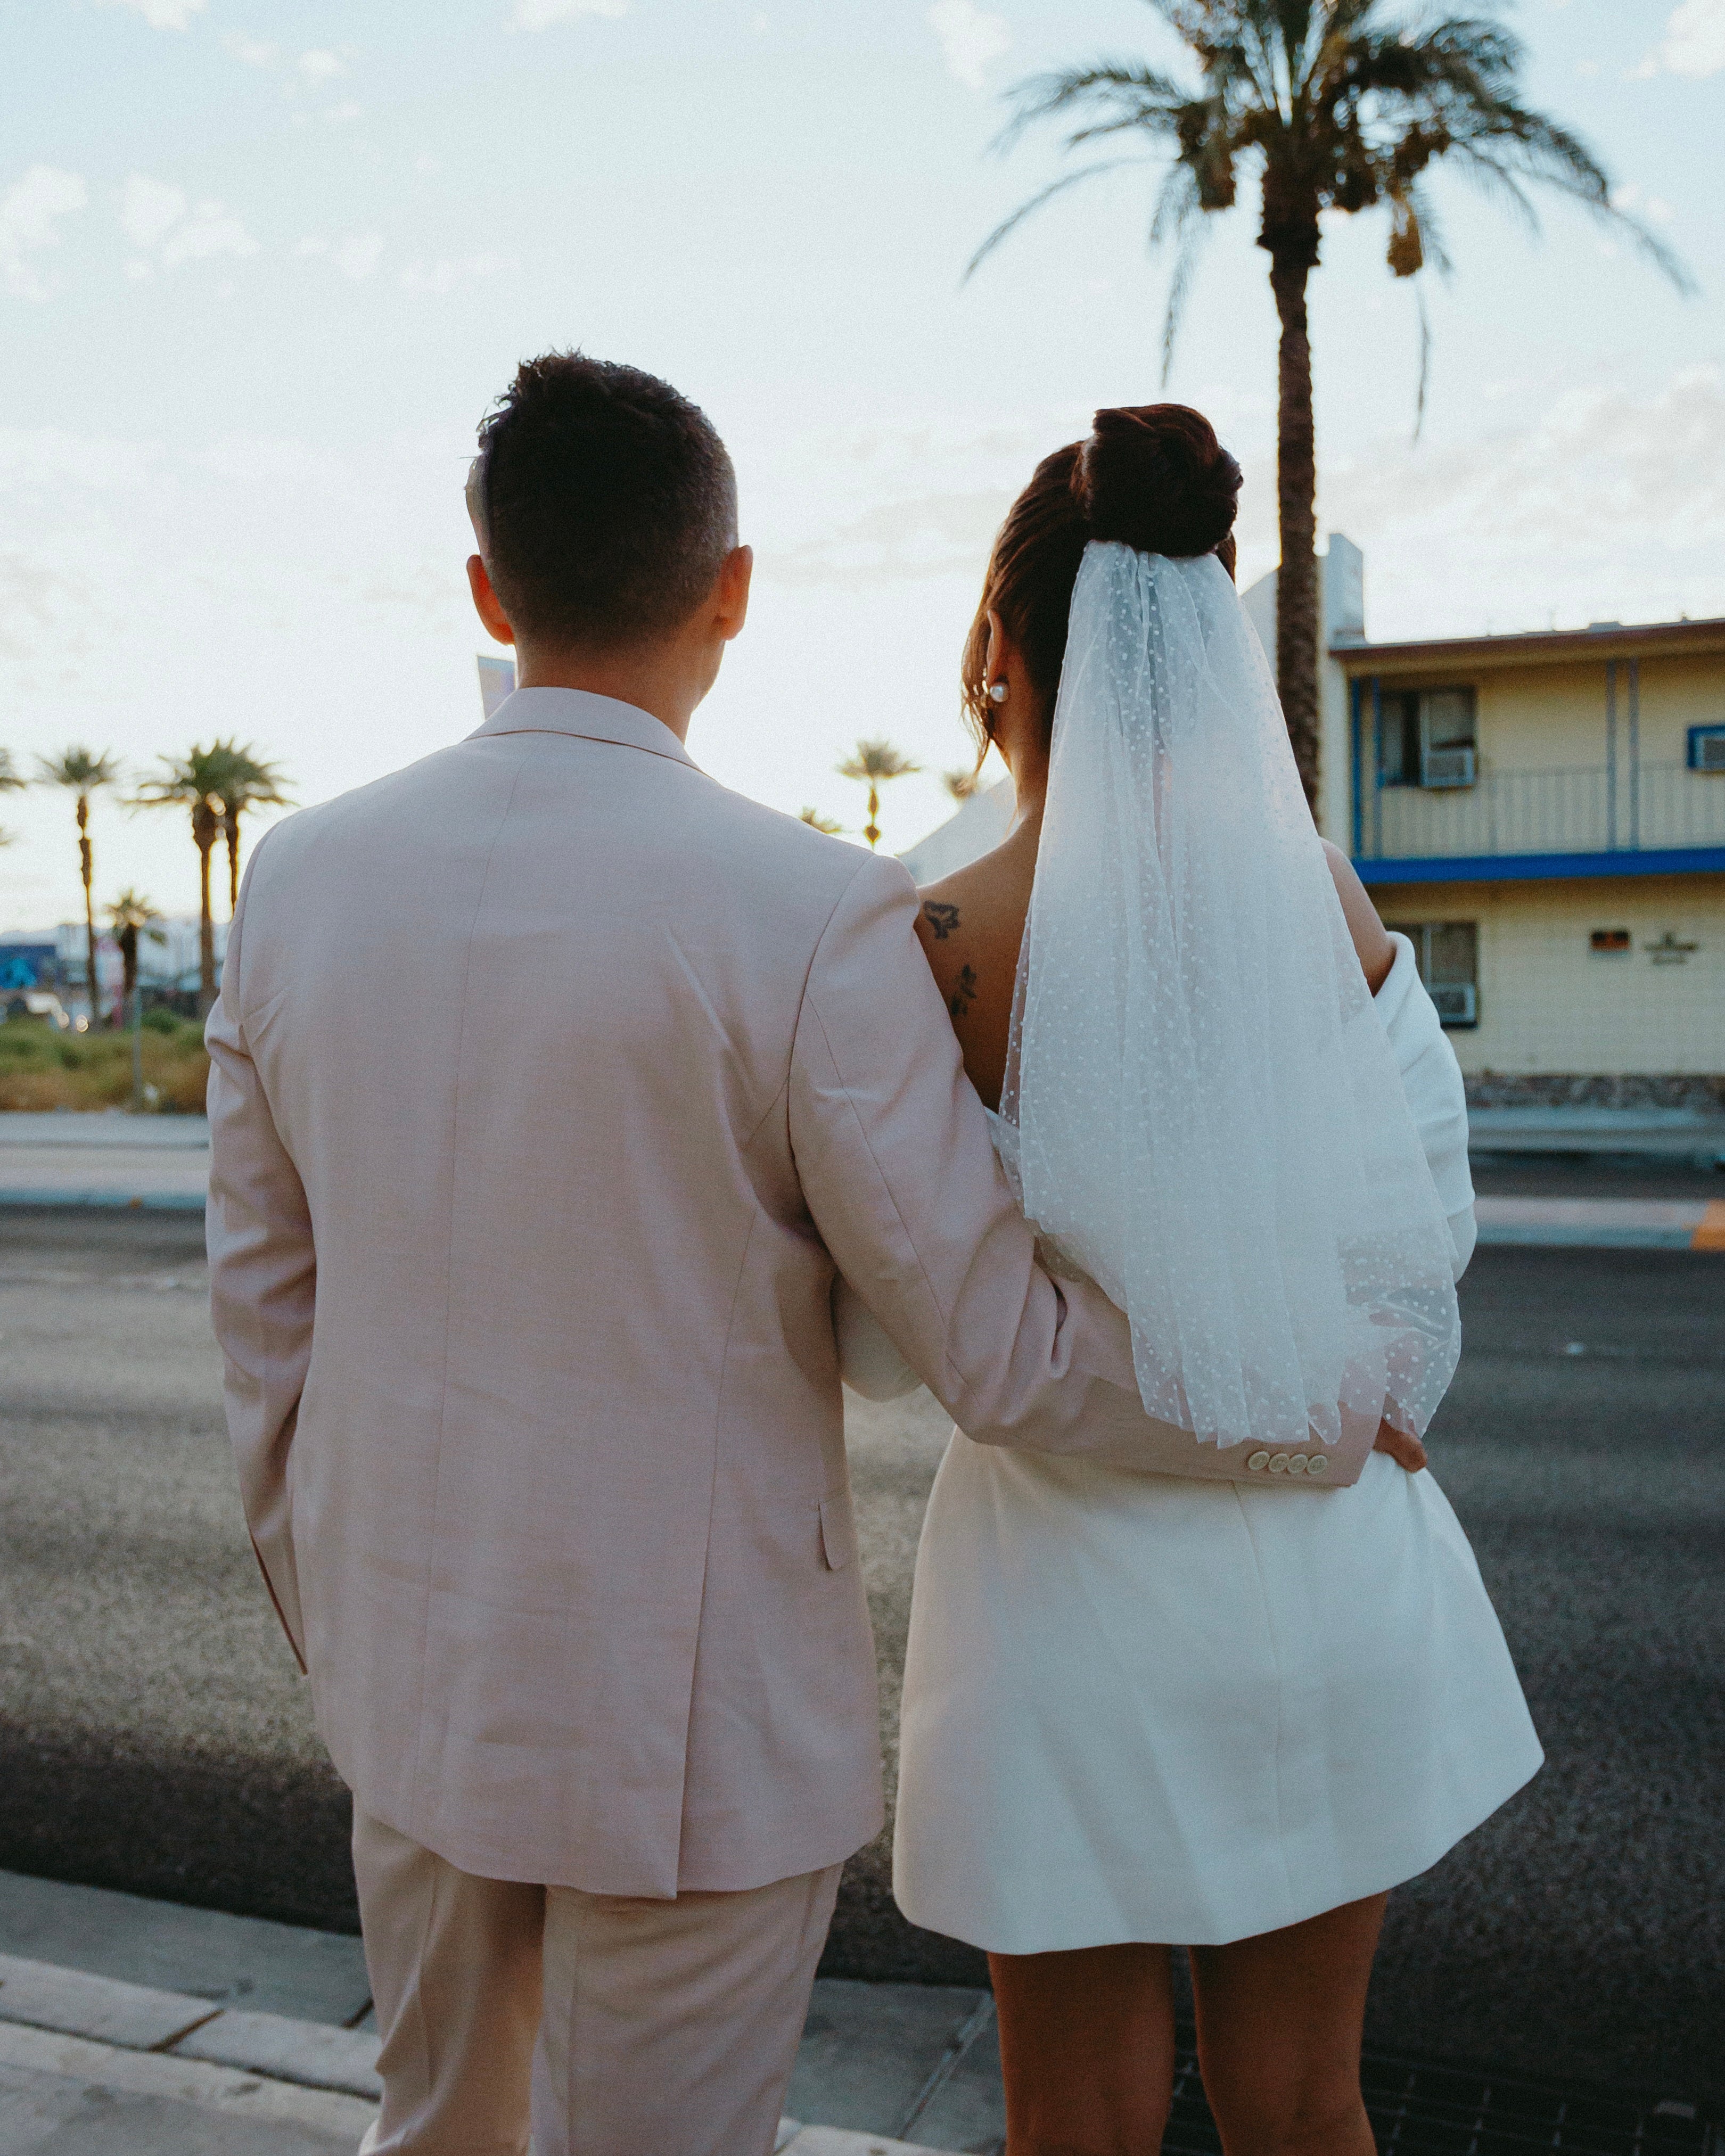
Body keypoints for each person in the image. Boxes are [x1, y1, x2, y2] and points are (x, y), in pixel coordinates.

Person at [205, 357, 1377, 2156]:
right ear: (730, 588)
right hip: (698, 1735)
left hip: (410, 1684)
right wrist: (1322, 1403)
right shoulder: (807, 909)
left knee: (431, 2127)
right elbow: (995, 1345)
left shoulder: (298, 877)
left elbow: (264, 1318)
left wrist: (345, 1620)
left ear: (489, 588)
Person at [837, 406, 1543, 2156]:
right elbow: (1420, 1237)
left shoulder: (935, 948)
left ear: (1000, 653)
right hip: (1338, 1588)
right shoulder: (1325, 900)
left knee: (1077, 2127)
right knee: (1307, 2103)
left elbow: (890, 1335)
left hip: (1076, 1616)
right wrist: (1335, 1390)